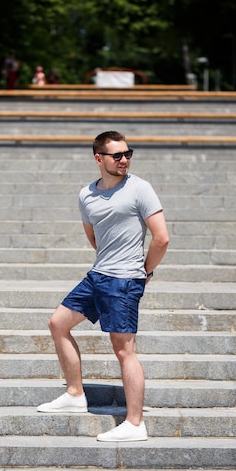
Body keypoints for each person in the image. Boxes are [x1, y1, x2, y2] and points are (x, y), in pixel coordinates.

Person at [37, 131, 170, 442]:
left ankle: (135, 423)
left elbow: (161, 238)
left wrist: (144, 272)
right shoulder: (87, 194)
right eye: (117, 155)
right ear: (99, 158)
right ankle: (74, 395)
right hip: (99, 275)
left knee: (124, 351)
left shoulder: (140, 189)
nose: (124, 159)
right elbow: (94, 236)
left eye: (128, 153)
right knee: (58, 323)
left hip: (124, 280)